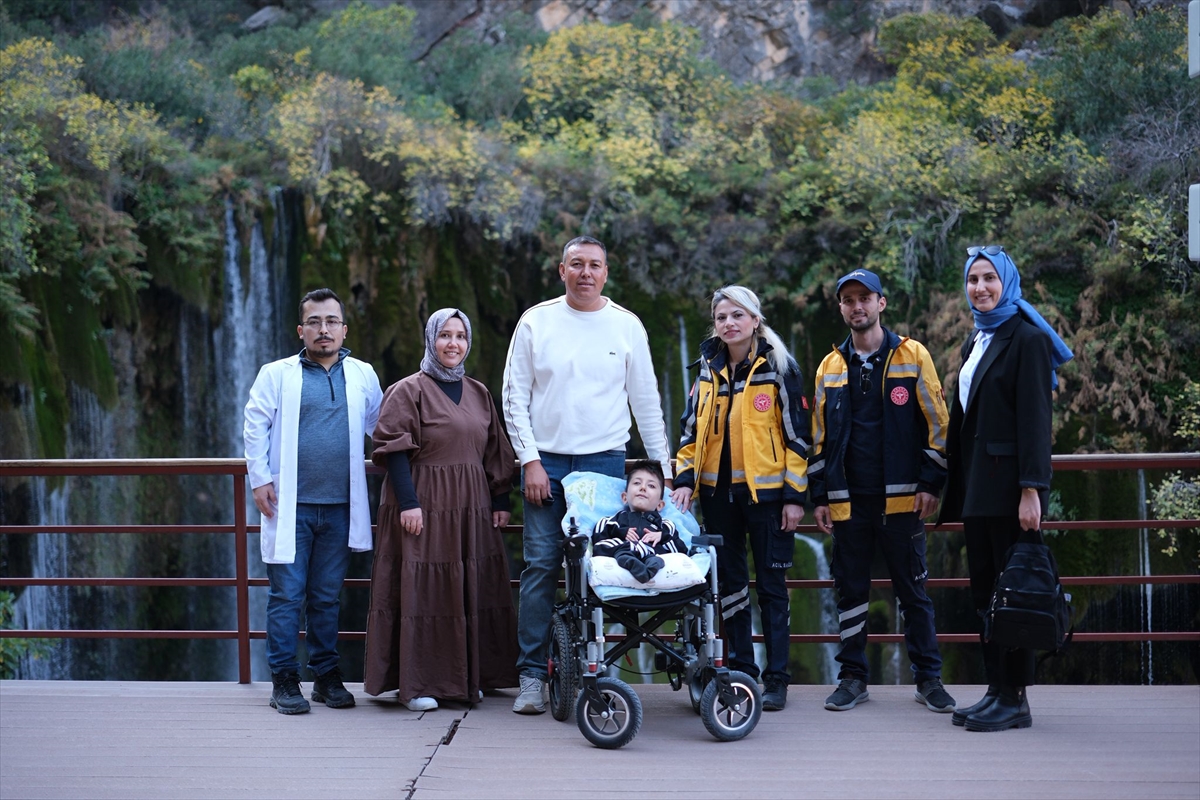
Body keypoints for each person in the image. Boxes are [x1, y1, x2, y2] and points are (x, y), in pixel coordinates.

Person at [502, 235, 672, 715]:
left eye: (594, 265)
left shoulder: (626, 325)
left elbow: (646, 403)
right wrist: (529, 460)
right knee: (539, 566)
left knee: (602, 569)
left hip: (603, 463)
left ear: (606, 271)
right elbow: (513, 395)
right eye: (576, 264)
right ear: (562, 271)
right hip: (547, 464)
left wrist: (660, 473)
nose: (585, 273)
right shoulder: (536, 320)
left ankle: (599, 671)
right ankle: (533, 677)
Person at [939, 246, 1073, 732]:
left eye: (989, 278)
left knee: (1012, 591)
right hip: (977, 487)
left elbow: (1037, 423)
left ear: (1007, 282)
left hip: (1010, 490)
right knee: (985, 594)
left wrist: (1032, 489)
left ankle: (1015, 698)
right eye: (973, 279)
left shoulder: (1028, 338)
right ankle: (996, 688)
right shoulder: (975, 338)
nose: (980, 287)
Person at [810, 269, 955, 714]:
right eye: (848, 300)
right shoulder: (830, 366)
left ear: (881, 303)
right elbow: (819, 439)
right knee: (850, 592)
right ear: (840, 308)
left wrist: (931, 484)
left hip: (903, 499)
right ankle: (853, 678)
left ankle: (928, 679)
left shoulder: (913, 356)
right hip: (848, 501)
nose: (857, 306)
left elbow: (938, 424)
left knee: (913, 592)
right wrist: (820, 497)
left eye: (864, 298)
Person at [363, 308, 519, 711]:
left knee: (469, 585)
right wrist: (409, 504)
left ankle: (465, 677)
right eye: (445, 335)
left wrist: (500, 500)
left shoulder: (479, 392)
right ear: (431, 339)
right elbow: (394, 450)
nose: (453, 344)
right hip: (424, 501)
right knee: (426, 591)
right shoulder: (407, 390)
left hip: (471, 505)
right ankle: (420, 684)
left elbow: (495, 450)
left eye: (461, 336)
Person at [243, 288, 384, 715]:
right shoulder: (276, 373)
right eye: (315, 322)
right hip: (291, 506)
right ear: (301, 329)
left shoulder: (362, 373)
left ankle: (326, 677)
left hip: (342, 507)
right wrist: (259, 479)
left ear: (344, 328)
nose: (324, 330)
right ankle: (284, 680)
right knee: (287, 595)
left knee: (326, 596)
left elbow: (382, 427)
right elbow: (255, 426)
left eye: (332, 322)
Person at [671, 285, 810, 712]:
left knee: (771, 586)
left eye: (737, 315)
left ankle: (777, 679)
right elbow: (690, 435)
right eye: (721, 317)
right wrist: (684, 482)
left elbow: (799, 438)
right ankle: (743, 672)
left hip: (767, 498)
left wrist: (794, 496)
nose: (728, 323)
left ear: (755, 320)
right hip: (717, 497)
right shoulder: (706, 371)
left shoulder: (779, 368)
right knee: (729, 587)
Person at [592, 460, 684, 583]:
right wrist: (622, 532)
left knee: (667, 552)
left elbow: (681, 548)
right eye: (637, 483)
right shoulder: (618, 518)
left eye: (651, 486)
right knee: (602, 547)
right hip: (625, 548)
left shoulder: (665, 525)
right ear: (624, 497)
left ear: (660, 505)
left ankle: (651, 565)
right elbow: (599, 536)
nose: (643, 488)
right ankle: (631, 562)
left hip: (653, 551)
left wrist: (662, 536)